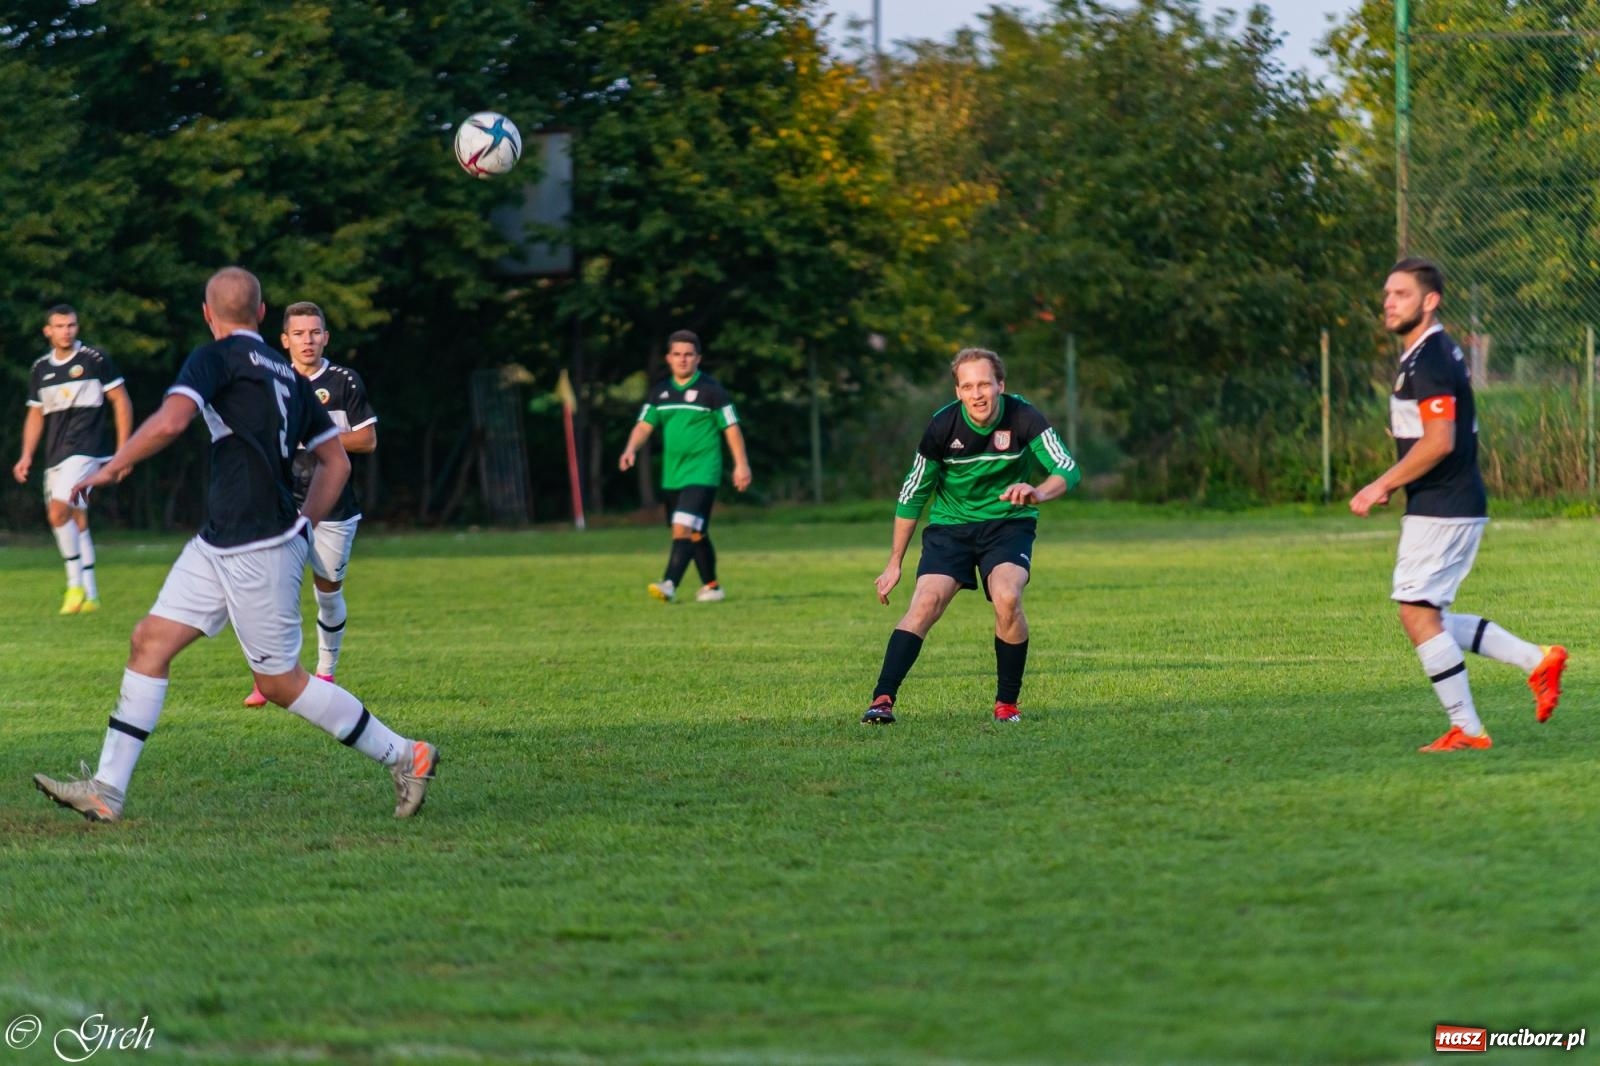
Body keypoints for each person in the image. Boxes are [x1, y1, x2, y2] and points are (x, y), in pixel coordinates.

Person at [33, 267, 437, 822]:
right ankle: (107, 789)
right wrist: (304, 525)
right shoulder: (288, 376)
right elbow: (336, 462)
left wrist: (113, 465)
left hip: (257, 546)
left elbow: (173, 422)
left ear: (207, 313)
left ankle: (406, 754)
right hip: (219, 540)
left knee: (280, 683)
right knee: (149, 642)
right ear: (264, 315)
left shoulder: (215, 357)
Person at [1350, 257, 1567, 752]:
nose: (1388, 302)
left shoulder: (1428, 356)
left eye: (1401, 294)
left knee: (1416, 613)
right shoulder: (1431, 353)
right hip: (1447, 501)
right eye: (1386, 294)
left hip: (1443, 504)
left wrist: (1380, 483)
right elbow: (1433, 430)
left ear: (1430, 301)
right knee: (1430, 617)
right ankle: (1537, 660)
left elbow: (1440, 441)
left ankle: (1467, 729)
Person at [862, 347, 1080, 725]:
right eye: (967, 386)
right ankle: (882, 700)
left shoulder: (1023, 416)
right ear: (958, 392)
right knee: (926, 602)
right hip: (951, 528)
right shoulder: (942, 427)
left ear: (1001, 385)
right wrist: (894, 562)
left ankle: (1006, 704)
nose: (977, 394)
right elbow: (912, 494)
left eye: (984, 384)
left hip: (1008, 525)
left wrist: (1039, 492)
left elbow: (1067, 468)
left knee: (1007, 596)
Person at [243, 302, 378, 708]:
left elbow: (367, 440)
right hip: (281, 502)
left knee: (327, 593)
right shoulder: (270, 380)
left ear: (326, 337)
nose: (308, 340)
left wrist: (311, 439)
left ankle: (325, 671)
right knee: (269, 592)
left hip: (333, 506)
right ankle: (268, 678)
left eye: (315, 332)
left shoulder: (343, 382)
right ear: (284, 340)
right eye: (299, 334)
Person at [12, 305, 133, 614]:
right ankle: (91, 596)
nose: (66, 331)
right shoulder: (41, 368)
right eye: (60, 326)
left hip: (87, 450)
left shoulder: (95, 360)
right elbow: (36, 414)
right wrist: (26, 454)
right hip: (56, 454)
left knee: (57, 512)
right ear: (47, 331)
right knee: (76, 518)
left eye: (71, 325)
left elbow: (121, 402)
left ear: (77, 327)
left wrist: (124, 451)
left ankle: (74, 586)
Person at [618, 329, 752, 602]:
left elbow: (732, 428)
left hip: (703, 471)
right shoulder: (660, 392)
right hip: (673, 475)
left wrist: (741, 465)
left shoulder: (712, 391)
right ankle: (712, 587)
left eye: (689, 355)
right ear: (668, 358)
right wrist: (631, 448)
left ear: (698, 359)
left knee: (683, 526)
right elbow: (644, 425)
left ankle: (669, 584)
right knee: (694, 532)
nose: (683, 360)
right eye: (677, 354)